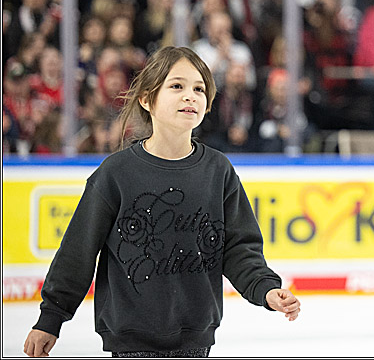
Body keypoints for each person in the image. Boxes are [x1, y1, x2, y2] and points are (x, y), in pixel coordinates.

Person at [23, 46, 300, 358]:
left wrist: (265, 289)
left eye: (199, 89)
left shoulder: (218, 171)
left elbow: (239, 248)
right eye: (177, 86)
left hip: (197, 342)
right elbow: (78, 252)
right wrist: (51, 318)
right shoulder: (116, 173)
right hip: (131, 344)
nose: (190, 96)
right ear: (146, 99)